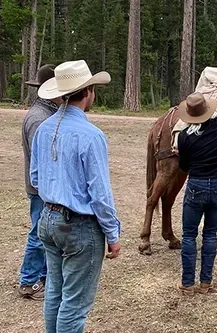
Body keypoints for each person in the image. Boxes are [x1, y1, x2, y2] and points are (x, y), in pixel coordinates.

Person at [30, 60, 121, 332]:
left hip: (48, 219)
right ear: (89, 91)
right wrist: (113, 235)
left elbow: (35, 178)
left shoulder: (44, 128)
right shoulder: (91, 135)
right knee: (74, 305)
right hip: (79, 226)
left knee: (55, 294)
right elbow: (100, 194)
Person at [177, 78, 217, 295]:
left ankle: (187, 284)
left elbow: (184, 167)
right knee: (211, 234)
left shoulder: (184, 137)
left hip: (196, 186)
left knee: (188, 235)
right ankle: (206, 283)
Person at [19, 64, 63, 300]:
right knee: (38, 234)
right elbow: (43, 160)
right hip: (40, 188)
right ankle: (28, 281)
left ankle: (42, 276)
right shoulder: (39, 119)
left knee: (43, 233)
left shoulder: (43, 113)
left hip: (40, 187)